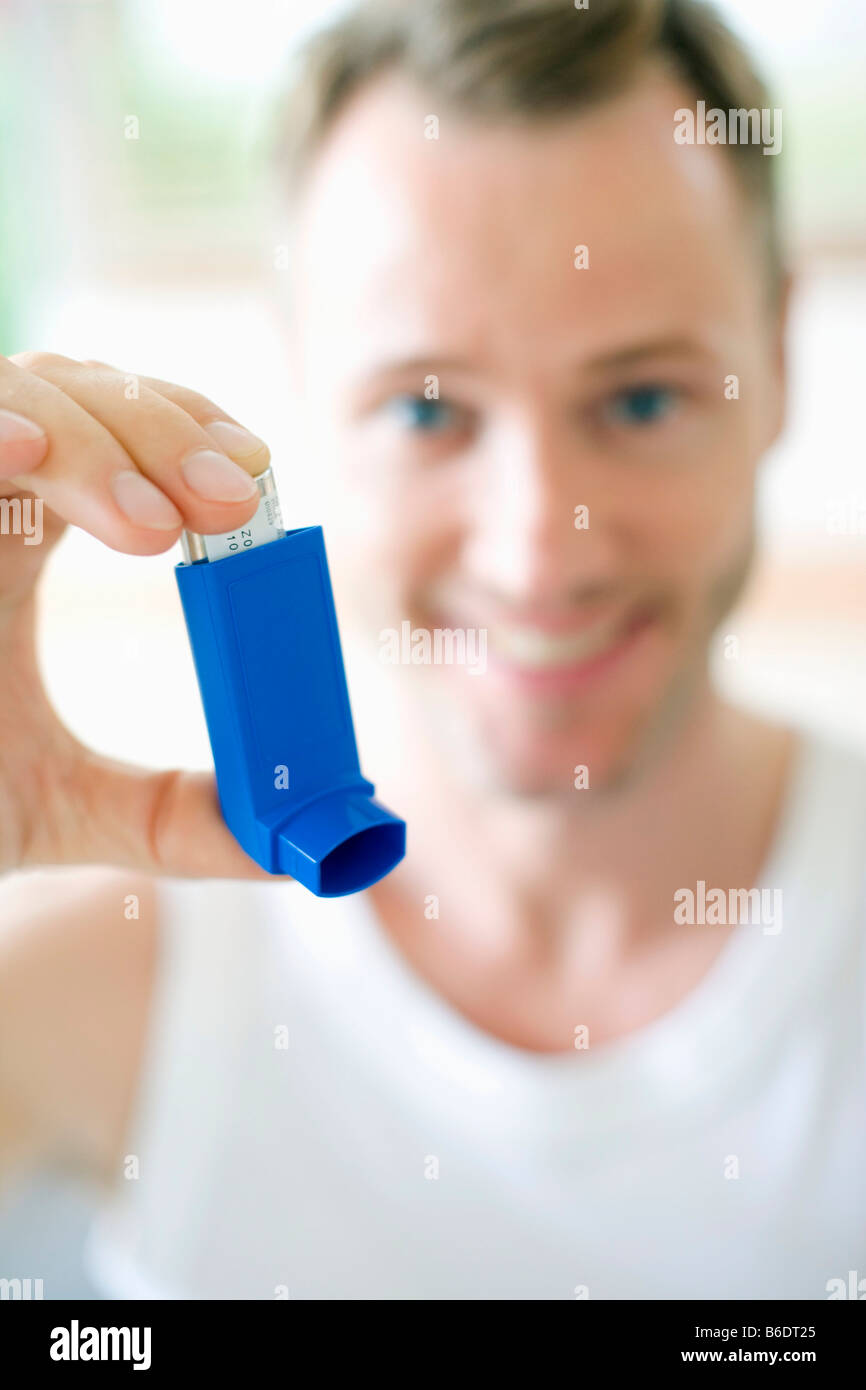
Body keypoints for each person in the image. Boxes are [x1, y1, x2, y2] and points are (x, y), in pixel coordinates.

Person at [1, 0, 864, 1301]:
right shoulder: (94, 983)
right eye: (425, 407)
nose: (538, 552)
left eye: (640, 397)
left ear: (778, 358)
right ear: (298, 380)